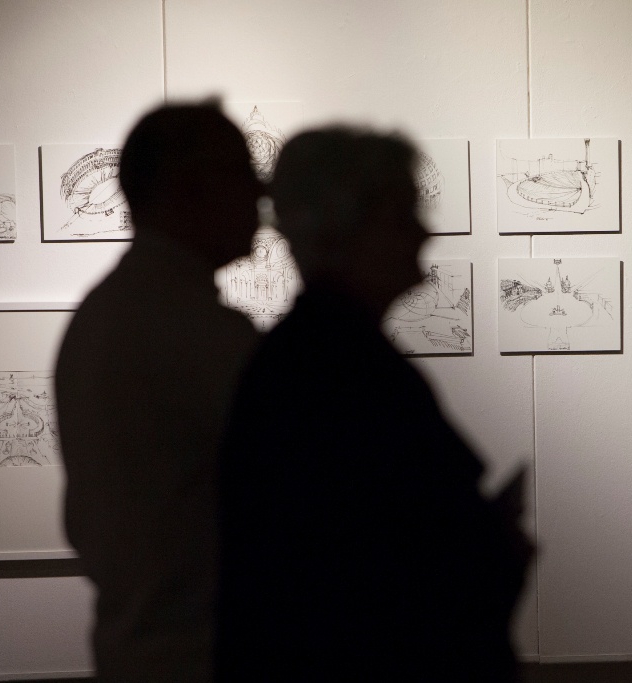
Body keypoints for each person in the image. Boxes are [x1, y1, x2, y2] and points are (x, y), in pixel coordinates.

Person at [217, 126, 530, 681]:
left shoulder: (317, 358)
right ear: (344, 229)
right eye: (402, 215)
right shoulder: (340, 372)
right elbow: (387, 577)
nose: (424, 233)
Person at [55, 102, 263, 682]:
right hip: (200, 655)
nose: (259, 194)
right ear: (184, 189)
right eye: (240, 174)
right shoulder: (193, 328)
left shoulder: (105, 312)